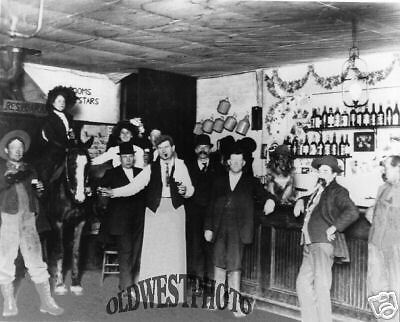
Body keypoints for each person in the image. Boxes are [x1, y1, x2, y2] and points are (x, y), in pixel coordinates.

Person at [100, 134, 194, 303]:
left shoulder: (181, 166)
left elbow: (191, 189)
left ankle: (172, 294)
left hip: (175, 212)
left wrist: (184, 191)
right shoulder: (151, 168)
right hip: (155, 213)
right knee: (154, 253)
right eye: (160, 148)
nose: (164, 151)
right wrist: (114, 192)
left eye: (167, 147)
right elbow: (134, 187)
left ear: (172, 149)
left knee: (173, 252)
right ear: (157, 151)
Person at [204, 145, 276, 317]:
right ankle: (218, 300)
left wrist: (270, 201)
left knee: (234, 266)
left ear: (243, 163)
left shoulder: (251, 182)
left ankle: (235, 304)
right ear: (228, 162)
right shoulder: (219, 181)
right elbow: (210, 206)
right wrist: (208, 227)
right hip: (219, 228)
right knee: (219, 264)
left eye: (239, 161)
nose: (236, 163)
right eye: (233, 160)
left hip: (238, 230)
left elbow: (266, 195)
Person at [0, 130, 63, 317]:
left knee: (36, 260)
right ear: (6, 150)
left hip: (29, 220)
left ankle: (46, 302)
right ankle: (9, 303)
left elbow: (38, 193)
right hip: (8, 220)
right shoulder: (1, 168)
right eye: (14, 148)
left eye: (20, 148)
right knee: (4, 261)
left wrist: (40, 191)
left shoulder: (30, 169)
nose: (18, 151)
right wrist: (8, 177)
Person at [293, 155, 359, 322]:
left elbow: (352, 212)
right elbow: (311, 202)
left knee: (321, 287)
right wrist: (300, 200)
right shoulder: (319, 190)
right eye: (320, 170)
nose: (321, 174)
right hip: (309, 243)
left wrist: (334, 227)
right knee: (303, 284)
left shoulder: (338, 191)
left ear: (334, 174)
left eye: (326, 171)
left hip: (322, 243)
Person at [98, 142, 145, 296]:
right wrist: (102, 193)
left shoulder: (141, 172)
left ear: (134, 158)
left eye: (130, 157)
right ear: (120, 158)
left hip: (139, 219)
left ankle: (132, 282)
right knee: (126, 252)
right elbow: (102, 192)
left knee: (136, 251)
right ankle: (126, 286)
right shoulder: (111, 173)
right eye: (125, 157)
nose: (128, 160)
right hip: (120, 221)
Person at [185, 134, 224, 294]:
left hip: (212, 214)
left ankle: (211, 281)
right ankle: (197, 281)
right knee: (195, 247)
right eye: (200, 147)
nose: (203, 150)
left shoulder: (219, 168)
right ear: (195, 150)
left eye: (206, 147)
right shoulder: (187, 168)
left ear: (210, 149)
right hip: (193, 213)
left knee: (211, 247)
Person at [366, 155, 400, 322]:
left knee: (396, 290)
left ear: (398, 168)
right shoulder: (382, 188)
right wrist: (370, 211)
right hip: (376, 245)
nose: (383, 171)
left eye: (386, 167)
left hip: (395, 248)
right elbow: (374, 211)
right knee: (376, 289)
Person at [39, 86, 78, 186]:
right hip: (53, 151)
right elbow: (51, 138)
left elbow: (70, 133)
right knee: (49, 172)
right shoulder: (49, 119)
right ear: (53, 102)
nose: (62, 103)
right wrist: (65, 148)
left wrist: (73, 139)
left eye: (64, 101)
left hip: (68, 150)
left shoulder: (69, 117)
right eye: (59, 101)